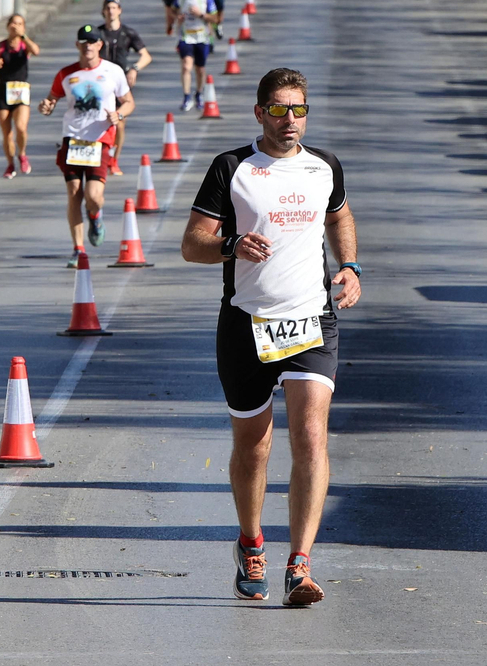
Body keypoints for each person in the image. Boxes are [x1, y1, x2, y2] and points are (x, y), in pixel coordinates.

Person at [181, 67, 362, 607]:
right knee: (253, 445)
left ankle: (299, 564)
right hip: (247, 322)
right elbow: (192, 243)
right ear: (260, 113)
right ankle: (251, 543)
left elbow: (339, 216)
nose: (290, 120)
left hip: (311, 319)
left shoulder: (324, 166)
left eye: (299, 109)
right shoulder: (232, 167)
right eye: (279, 110)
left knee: (310, 436)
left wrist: (349, 265)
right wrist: (231, 245)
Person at [39, 25, 135, 262]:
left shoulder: (113, 71)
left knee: (93, 196)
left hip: (99, 140)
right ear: (77, 45)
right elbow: (52, 99)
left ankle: (95, 215)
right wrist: (46, 107)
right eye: (83, 42)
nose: (88, 46)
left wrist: (119, 114)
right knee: (74, 193)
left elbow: (129, 102)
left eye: (92, 42)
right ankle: (78, 249)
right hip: (72, 139)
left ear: (100, 45)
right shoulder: (66, 74)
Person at [0, 14, 39, 179]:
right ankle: (10, 164)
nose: (16, 26)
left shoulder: (24, 45)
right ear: (7, 26)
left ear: (23, 27)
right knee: (7, 132)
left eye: (20, 24)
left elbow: (36, 51)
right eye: (13, 23)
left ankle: (22, 154)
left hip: (21, 90)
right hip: (4, 90)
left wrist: (23, 36)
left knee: (21, 127)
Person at [99, 0, 151, 175]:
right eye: (108, 8)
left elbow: (146, 56)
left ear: (119, 10)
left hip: (119, 85)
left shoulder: (128, 33)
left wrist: (134, 69)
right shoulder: (98, 33)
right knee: (101, 122)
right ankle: (101, 159)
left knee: (119, 123)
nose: (111, 11)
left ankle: (114, 160)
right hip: (101, 84)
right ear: (103, 11)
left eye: (114, 8)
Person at [174, 0, 221, 112]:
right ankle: (186, 97)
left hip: (202, 37)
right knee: (186, 66)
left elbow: (215, 19)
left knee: (200, 69)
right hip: (185, 37)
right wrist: (178, 19)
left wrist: (201, 14)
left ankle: (199, 94)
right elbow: (173, 12)